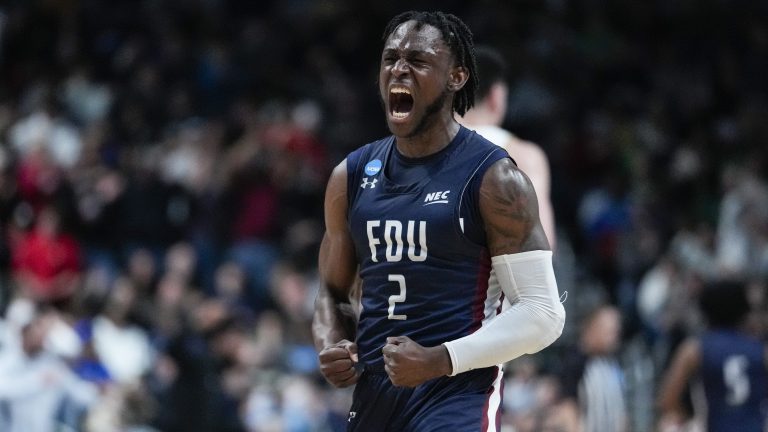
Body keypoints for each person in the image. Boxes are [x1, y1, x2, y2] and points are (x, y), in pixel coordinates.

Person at [312, 10, 565, 431]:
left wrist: (440, 359)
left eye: (418, 60)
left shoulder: (494, 177)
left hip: (457, 395)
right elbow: (332, 292)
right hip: (376, 396)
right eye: (390, 58)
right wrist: (332, 344)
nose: (399, 69)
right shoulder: (350, 176)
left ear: (458, 77)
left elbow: (544, 313)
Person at [458, 46, 556, 249]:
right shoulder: (523, 156)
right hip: (489, 277)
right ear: (497, 95)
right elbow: (541, 242)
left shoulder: (411, 151)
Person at [656, 280, 768, 432]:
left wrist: (687, 418)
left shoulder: (694, 350)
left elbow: (667, 400)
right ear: (743, 311)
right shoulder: (760, 350)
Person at [551, 304, 628, 432]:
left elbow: (620, 409)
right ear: (592, 328)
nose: (615, 336)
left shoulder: (611, 363)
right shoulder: (575, 361)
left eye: (616, 331)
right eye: (609, 331)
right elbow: (568, 408)